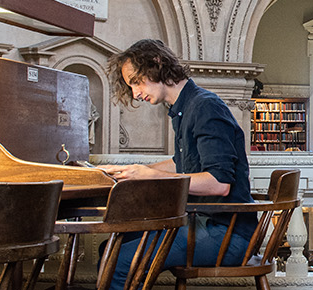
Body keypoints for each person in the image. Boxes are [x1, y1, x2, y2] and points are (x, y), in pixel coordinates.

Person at [98, 39, 255, 290]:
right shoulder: (184, 108)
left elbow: (219, 183)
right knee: (110, 248)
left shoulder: (205, 106)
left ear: (156, 64)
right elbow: (181, 163)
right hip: (202, 223)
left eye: (137, 81)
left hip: (227, 234)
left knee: (119, 261)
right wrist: (134, 171)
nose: (135, 93)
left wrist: (149, 175)